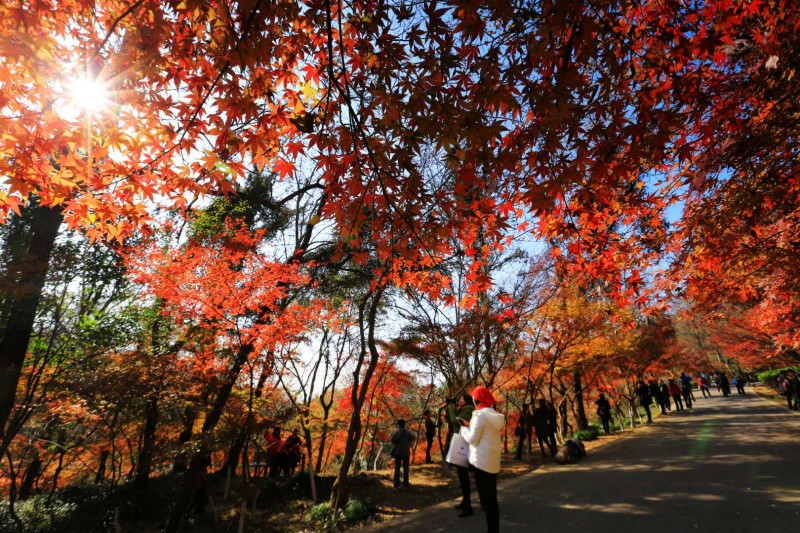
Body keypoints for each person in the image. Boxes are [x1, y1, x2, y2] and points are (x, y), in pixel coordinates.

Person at [459, 385, 504, 533]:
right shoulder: (493, 414)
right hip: (492, 461)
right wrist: (470, 425)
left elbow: (472, 439)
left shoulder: (479, 415)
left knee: (486, 501)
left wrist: (464, 429)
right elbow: (484, 432)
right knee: (492, 498)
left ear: (475, 400)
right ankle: (494, 528)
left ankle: (492, 530)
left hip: (481, 462)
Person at [448, 393, 475, 513]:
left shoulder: (468, 410)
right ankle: (465, 501)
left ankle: (467, 504)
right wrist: (451, 408)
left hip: (463, 443)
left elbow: (455, 421)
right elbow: (450, 420)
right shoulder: (463, 409)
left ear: (467, 401)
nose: (460, 400)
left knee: (463, 475)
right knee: (461, 474)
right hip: (461, 442)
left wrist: (452, 409)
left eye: (461, 399)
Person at [390, 419, 416, 488]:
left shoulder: (396, 432)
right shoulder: (407, 432)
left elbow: (392, 441)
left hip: (398, 452)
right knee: (406, 468)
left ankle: (396, 483)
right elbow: (414, 438)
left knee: (397, 468)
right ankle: (406, 483)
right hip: (406, 452)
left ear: (398, 424)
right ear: (404, 424)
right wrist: (408, 441)